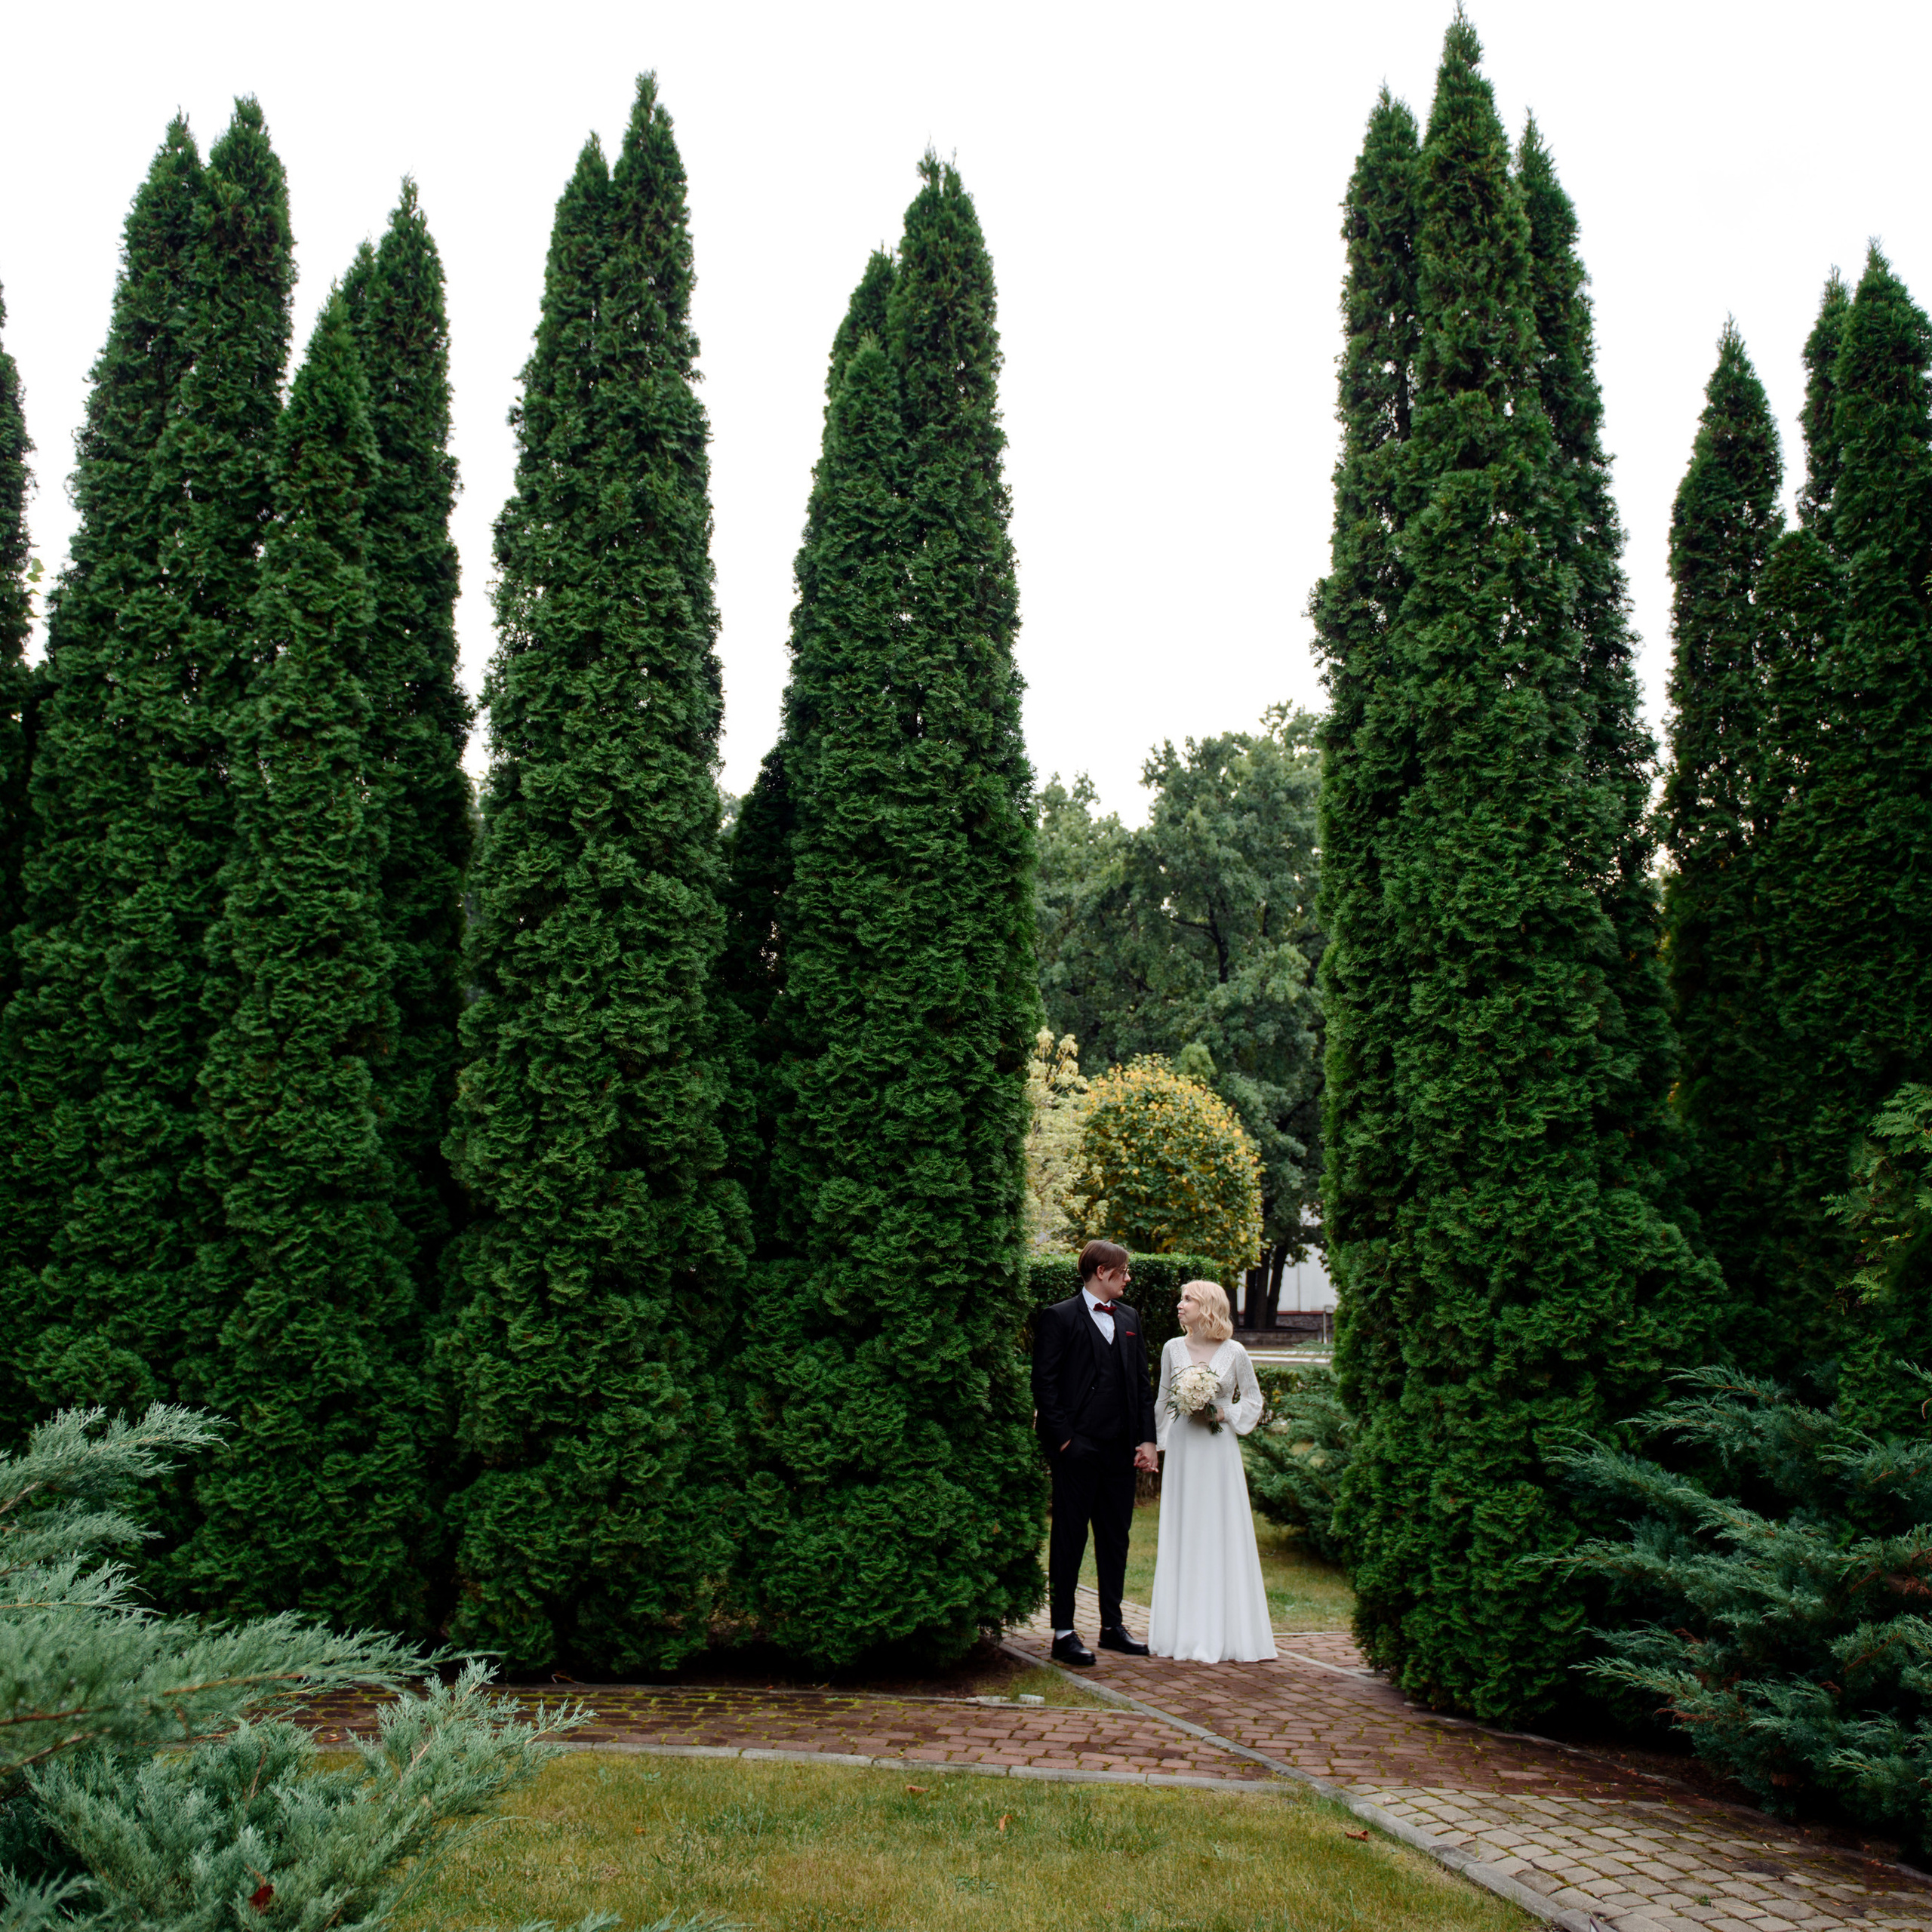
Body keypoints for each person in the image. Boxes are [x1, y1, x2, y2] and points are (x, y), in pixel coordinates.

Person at [1031, 1239, 1159, 1666]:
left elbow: (1141, 1384)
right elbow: (1044, 1385)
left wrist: (1146, 1440)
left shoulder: (1129, 1318)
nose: (1128, 1278)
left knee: (1115, 1539)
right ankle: (1063, 1632)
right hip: (1077, 1451)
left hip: (1120, 1452)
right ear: (1102, 1272)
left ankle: (1112, 1627)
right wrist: (1066, 1440)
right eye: (1123, 1271)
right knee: (1069, 1538)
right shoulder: (1059, 1317)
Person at [1148, 1278, 1276, 1663]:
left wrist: (1222, 1412)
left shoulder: (1234, 1352)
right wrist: (1155, 1445)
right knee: (1185, 1528)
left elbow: (1253, 1400)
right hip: (1187, 1449)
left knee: (1221, 1529)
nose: (1180, 1304)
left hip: (1219, 1451)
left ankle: (1229, 1632)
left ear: (1207, 1307)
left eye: (1187, 1299)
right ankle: (1182, 1633)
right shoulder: (1172, 1348)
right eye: (1181, 1298)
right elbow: (1161, 1399)